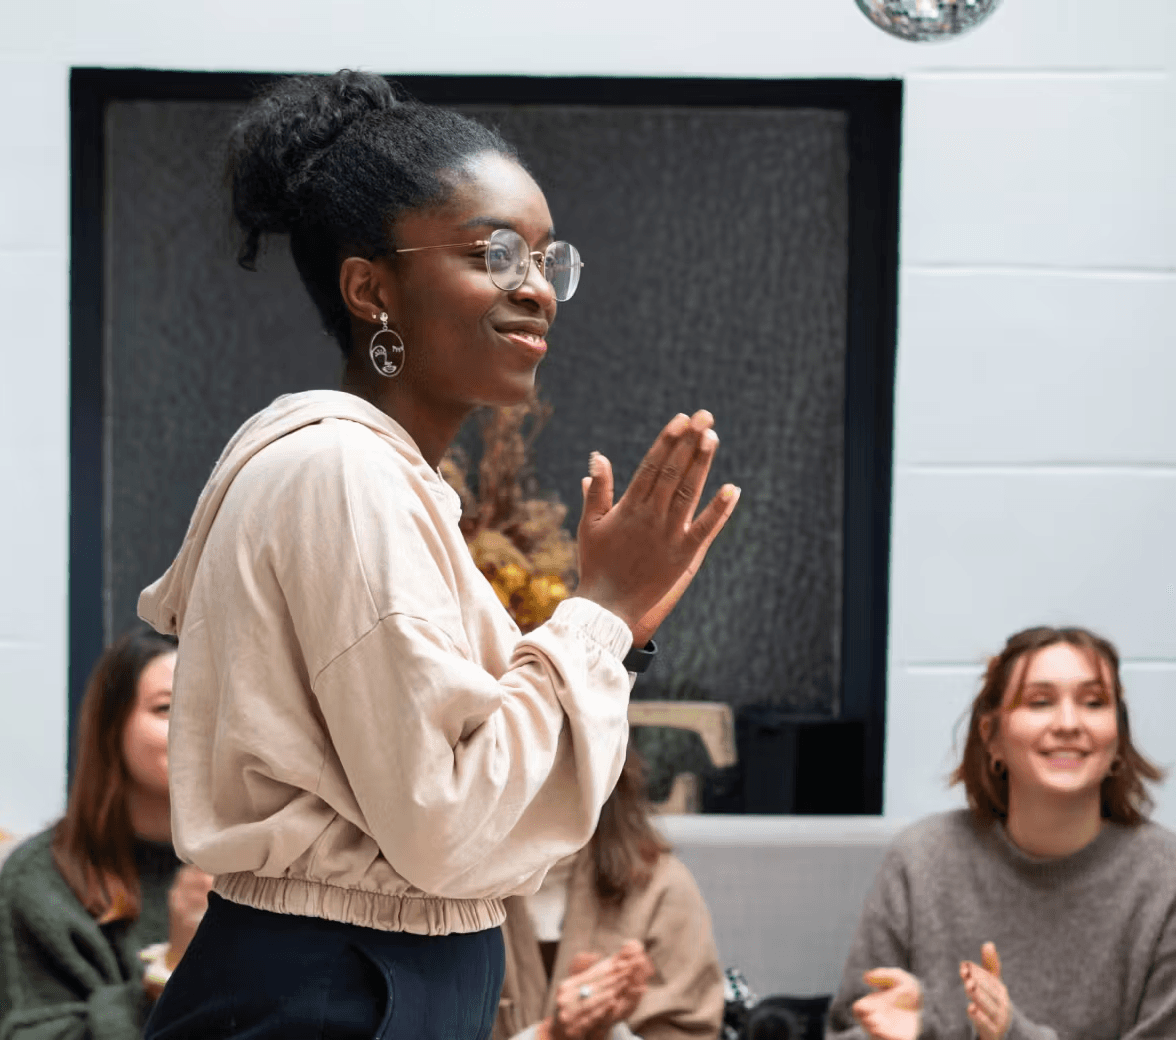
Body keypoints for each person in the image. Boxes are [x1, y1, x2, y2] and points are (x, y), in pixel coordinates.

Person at [135, 70, 740, 1039]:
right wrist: (597, 614)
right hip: (332, 989)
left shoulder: (383, 477)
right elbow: (447, 823)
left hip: (368, 978)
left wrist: (618, 629)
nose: (535, 285)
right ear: (370, 286)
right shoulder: (340, 471)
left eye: (548, 258)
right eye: (492, 252)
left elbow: (480, 814)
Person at [827, 625, 1176, 1040]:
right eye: (1040, 702)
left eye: (1094, 703)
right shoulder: (921, 860)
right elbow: (847, 1031)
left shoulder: (1165, 879)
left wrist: (1006, 1033)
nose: (1068, 723)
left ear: (1116, 739)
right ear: (991, 737)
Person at [0, 628, 213, 1039]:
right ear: (112, 726)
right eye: (166, 708)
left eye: (210, 707)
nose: (193, 726)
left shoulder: (261, 862)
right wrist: (171, 969)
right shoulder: (40, 880)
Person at [494, 752, 723, 1040]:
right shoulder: (440, 900)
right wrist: (547, 1036)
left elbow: (688, 1031)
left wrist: (609, 1031)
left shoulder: (662, 888)